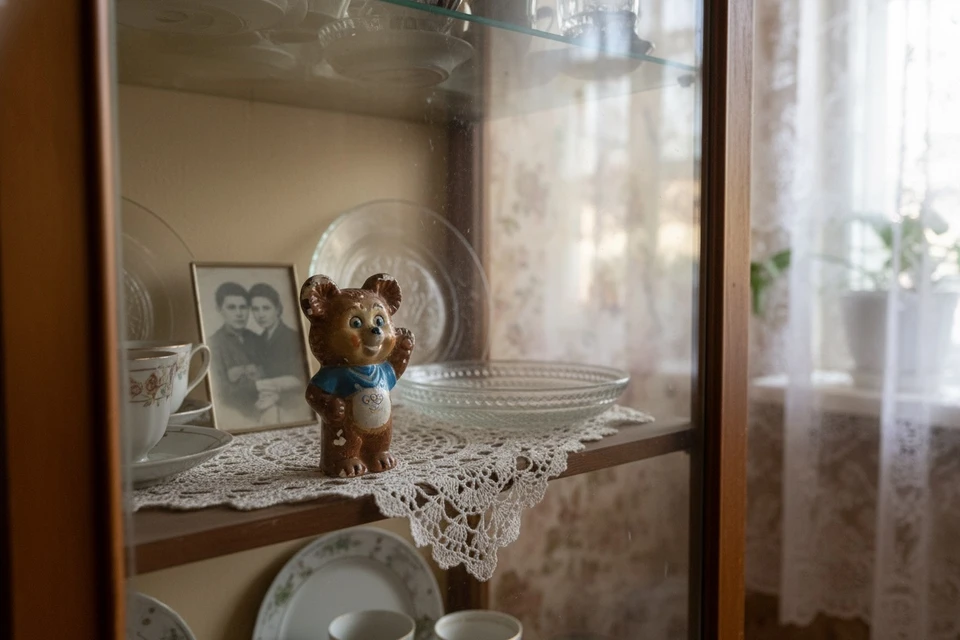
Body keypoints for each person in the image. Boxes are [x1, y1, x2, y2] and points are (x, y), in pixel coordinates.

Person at [249, 282, 311, 425]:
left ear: (277, 309)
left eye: (266, 308)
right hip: (268, 403)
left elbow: (301, 379)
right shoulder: (260, 340)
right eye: (255, 309)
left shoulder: (292, 337)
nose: (260, 314)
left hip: (293, 406)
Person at [208, 282, 261, 424]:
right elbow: (222, 392)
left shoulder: (257, 339)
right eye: (231, 307)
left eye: (243, 307)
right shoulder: (214, 344)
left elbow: (273, 373)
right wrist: (259, 382)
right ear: (220, 309)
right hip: (236, 416)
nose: (239, 313)